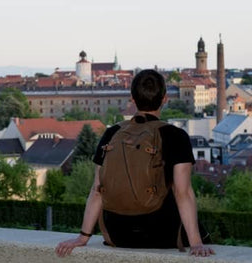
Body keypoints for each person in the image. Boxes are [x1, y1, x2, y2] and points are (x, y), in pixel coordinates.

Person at [55, 69, 215, 257]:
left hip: (117, 234)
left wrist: (82, 237)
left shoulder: (111, 133)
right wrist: (196, 243)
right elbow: (183, 192)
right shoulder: (176, 136)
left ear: (132, 98)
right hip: (163, 234)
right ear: (165, 99)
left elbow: (97, 189)